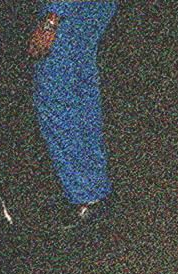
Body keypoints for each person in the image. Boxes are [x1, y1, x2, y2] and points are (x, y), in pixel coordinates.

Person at [28, 2, 118, 230]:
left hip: (68, 10)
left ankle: (85, 196)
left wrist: (51, 20)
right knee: (81, 92)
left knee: (57, 100)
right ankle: (92, 188)